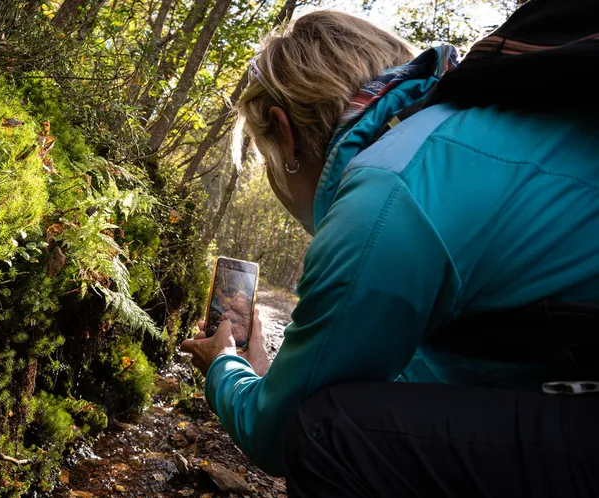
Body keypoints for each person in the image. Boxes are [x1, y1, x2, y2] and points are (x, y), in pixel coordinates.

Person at [180, 7, 599, 498]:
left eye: (270, 163)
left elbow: (277, 436)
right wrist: (277, 382)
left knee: (329, 438)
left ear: (285, 134)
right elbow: (431, 387)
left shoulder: (386, 192)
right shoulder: (457, 134)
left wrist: (222, 364)